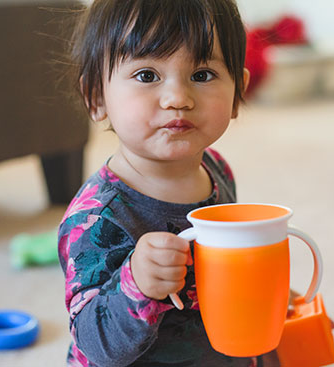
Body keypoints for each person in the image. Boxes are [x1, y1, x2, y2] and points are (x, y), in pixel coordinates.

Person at [58, 0, 279, 365]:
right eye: (147, 75)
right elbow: (94, 345)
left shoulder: (216, 168)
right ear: (97, 97)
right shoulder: (97, 219)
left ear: (238, 90)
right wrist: (136, 283)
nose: (178, 98)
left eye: (202, 75)